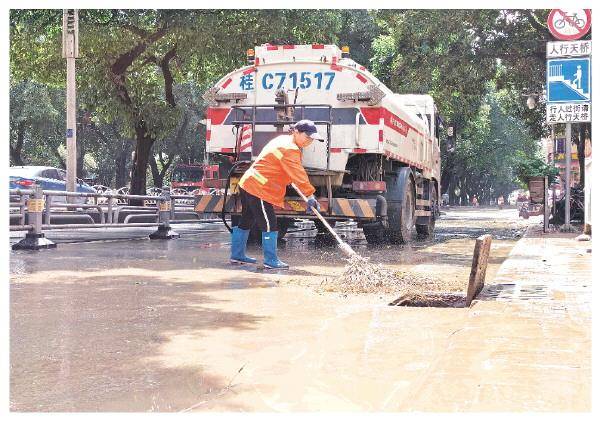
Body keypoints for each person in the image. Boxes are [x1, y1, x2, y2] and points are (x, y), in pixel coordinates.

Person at [230, 119, 323, 269]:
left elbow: (275, 164)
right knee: (269, 223)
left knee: (247, 219)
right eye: (307, 137)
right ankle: (271, 261)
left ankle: (237, 255)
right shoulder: (290, 148)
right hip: (259, 188)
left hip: (248, 183)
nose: (309, 141)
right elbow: (298, 174)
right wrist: (310, 196)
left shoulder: (282, 140)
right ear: (296, 132)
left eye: (312, 139)